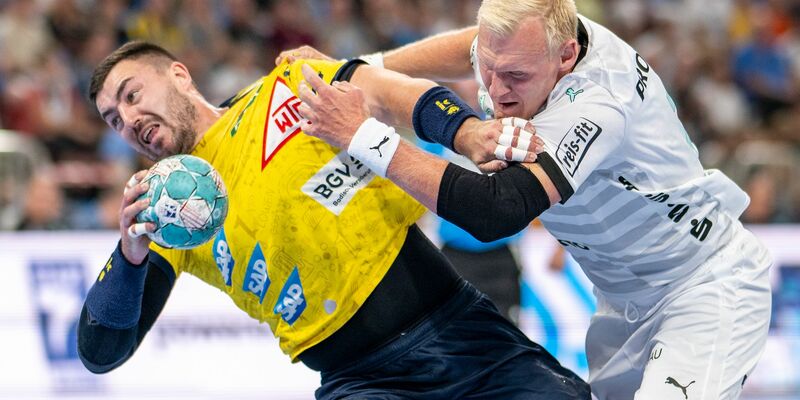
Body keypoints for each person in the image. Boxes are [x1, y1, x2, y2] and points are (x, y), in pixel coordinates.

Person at [285, 0, 773, 398]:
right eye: (489, 70)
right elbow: (470, 48)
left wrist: (363, 135)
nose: (496, 91)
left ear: (565, 57)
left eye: (514, 77)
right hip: (623, 303)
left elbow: (495, 210)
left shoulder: (598, 102)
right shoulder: (536, 43)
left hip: (704, 286)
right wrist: (362, 67)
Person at [77, 41, 590, 400]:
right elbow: (100, 352)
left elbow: (391, 91)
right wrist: (129, 254)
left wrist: (468, 133)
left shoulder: (282, 89)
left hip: (461, 331)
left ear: (179, 75)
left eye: (131, 95)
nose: (128, 120)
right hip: (360, 383)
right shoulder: (166, 219)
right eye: (113, 119)